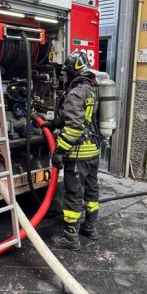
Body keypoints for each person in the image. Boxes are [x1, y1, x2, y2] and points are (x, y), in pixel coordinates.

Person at [39, 50, 101, 251]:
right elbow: (84, 118)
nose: (65, 76)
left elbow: (74, 127)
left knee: (74, 194)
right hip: (93, 151)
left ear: (73, 71)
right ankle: (90, 228)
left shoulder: (75, 93)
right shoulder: (91, 89)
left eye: (66, 72)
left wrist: (59, 151)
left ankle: (70, 238)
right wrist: (53, 122)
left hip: (78, 154)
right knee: (91, 191)